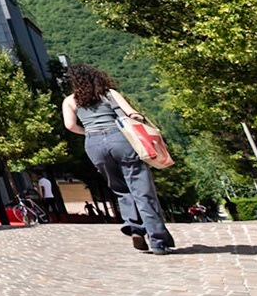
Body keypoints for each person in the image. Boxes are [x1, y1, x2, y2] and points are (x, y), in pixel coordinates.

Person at [61, 63, 175, 254]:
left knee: (120, 189)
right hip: (120, 139)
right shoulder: (109, 93)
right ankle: (158, 241)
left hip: (94, 144)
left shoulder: (70, 101)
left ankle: (135, 228)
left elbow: (70, 125)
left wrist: (88, 132)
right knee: (142, 189)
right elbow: (131, 113)